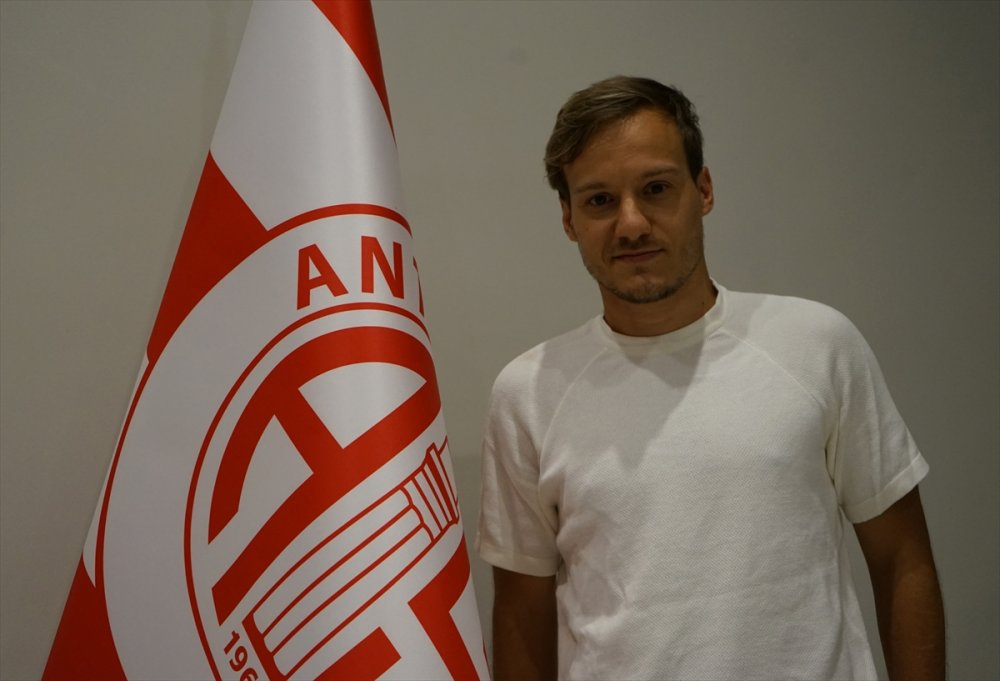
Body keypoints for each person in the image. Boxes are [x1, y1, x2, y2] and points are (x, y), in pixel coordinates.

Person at [475, 76, 945, 681]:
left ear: (703, 190)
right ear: (568, 219)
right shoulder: (528, 391)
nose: (631, 224)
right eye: (599, 201)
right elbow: (522, 611)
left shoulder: (817, 344)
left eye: (656, 188)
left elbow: (903, 561)